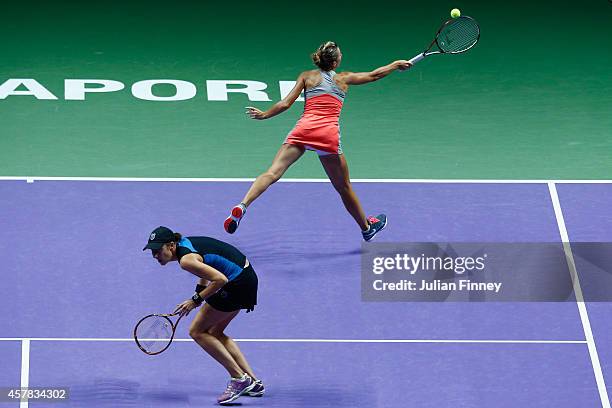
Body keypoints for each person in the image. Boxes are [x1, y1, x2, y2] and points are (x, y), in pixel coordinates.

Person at [224, 41, 411, 241]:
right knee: (343, 187)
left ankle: (242, 205)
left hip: (303, 130)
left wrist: (264, 115)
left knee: (272, 172)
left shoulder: (307, 76)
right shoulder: (343, 78)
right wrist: (395, 64)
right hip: (327, 134)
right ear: (336, 61)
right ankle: (366, 228)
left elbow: (286, 103)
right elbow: (374, 75)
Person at [143, 226, 264, 405]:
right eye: (152, 251)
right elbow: (208, 266)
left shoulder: (186, 261)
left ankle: (238, 379)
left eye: (157, 250)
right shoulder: (185, 243)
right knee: (215, 333)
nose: (155, 255)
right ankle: (253, 383)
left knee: (197, 331)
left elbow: (220, 279)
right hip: (247, 278)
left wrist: (195, 300)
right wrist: (199, 292)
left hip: (236, 283)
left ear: (170, 246)